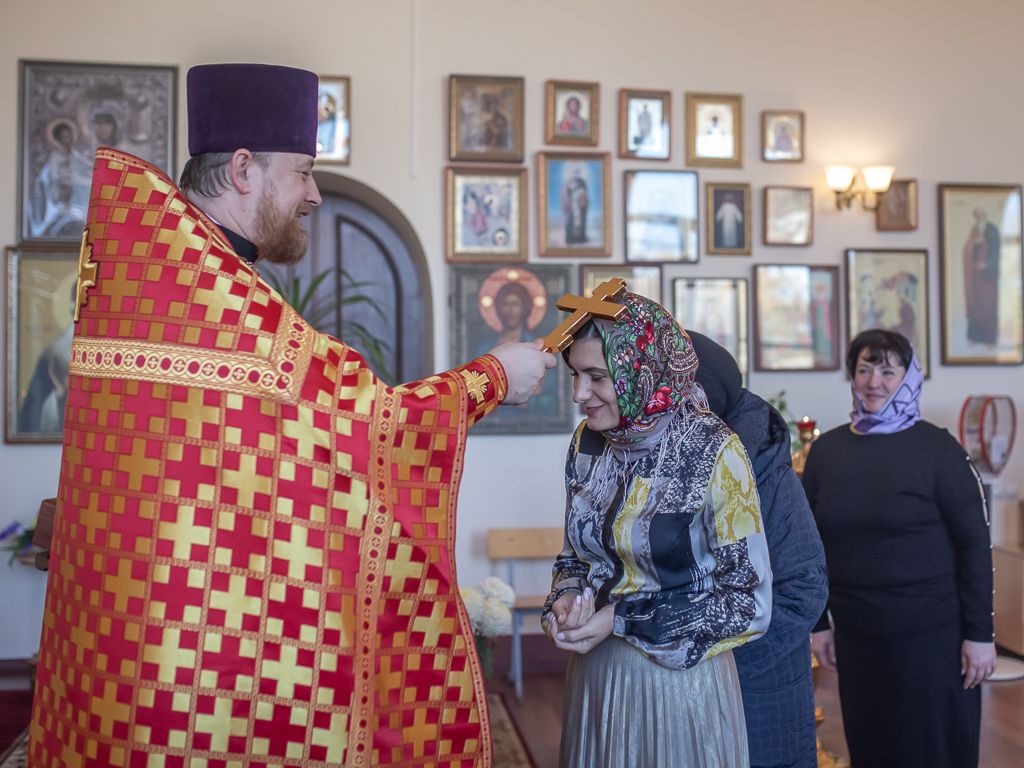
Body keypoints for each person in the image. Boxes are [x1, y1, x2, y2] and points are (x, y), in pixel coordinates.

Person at [28, 63, 556, 767]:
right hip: (186, 676)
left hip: (129, 657)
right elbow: (371, 426)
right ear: (243, 168)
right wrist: (493, 378)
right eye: (303, 172)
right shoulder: (213, 299)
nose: (314, 194)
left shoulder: (163, 276)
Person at [542, 293, 772, 767]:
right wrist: (566, 600)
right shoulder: (588, 444)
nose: (579, 394)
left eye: (597, 376)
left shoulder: (712, 450)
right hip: (596, 676)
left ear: (642, 373)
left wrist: (622, 618)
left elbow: (748, 603)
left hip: (680, 687)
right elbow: (574, 558)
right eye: (574, 375)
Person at [804, 329, 995, 767]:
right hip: (858, 636)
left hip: (933, 641)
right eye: (864, 369)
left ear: (908, 378)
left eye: (888, 371)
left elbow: (974, 547)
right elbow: (810, 547)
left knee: (932, 751)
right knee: (874, 748)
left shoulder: (940, 450)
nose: (874, 382)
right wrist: (819, 624)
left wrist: (981, 636)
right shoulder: (827, 452)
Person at [690, 332, 827, 768]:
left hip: (757, 692)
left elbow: (803, 587)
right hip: (688, 691)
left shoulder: (759, 463)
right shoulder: (677, 456)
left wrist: (716, 665)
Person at [963, 207, 1000, 345]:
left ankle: (990, 338)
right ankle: (974, 337)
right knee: (975, 305)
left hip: (988, 278)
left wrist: (987, 264)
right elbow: (967, 249)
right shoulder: (974, 230)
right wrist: (973, 244)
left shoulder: (992, 230)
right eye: (976, 216)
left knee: (988, 306)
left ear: (984, 216)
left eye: (980, 215)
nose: (978, 218)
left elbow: (996, 251)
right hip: (975, 278)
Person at [561, 172, 589, 244]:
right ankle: (571, 239)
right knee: (571, 223)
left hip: (580, 208)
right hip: (572, 208)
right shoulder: (568, 184)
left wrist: (583, 204)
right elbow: (565, 196)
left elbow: (584, 196)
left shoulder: (582, 184)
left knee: (580, 223)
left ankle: (580, 238)